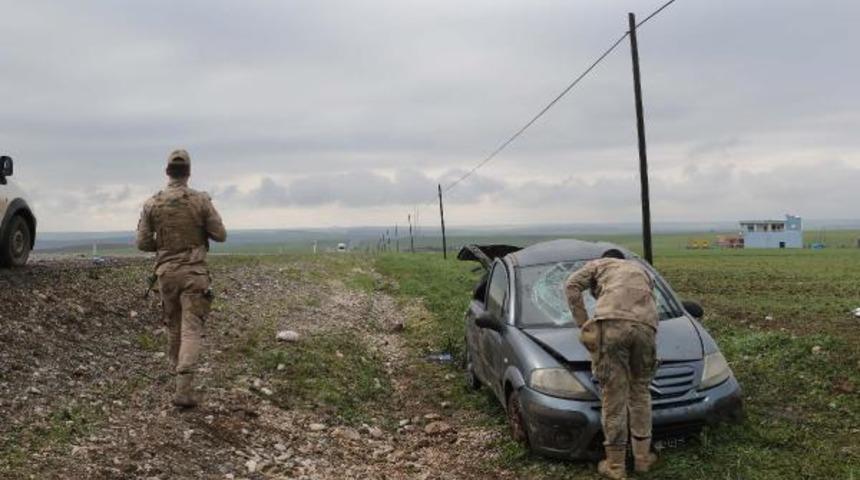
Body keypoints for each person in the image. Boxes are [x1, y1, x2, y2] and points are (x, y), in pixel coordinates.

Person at [136, 149, 227, 408]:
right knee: (191, 329)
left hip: (166, 274)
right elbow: (220, 235)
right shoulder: (200, 201)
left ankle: (175, 377)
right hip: (194, 274)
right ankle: (184, 389)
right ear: (188, 173)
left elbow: (142, 243)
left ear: (167, 172)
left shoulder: (152, 203)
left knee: (174, 326)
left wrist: (166, 248)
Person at [564, 249, 659, 479]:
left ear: (607, 257)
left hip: (613, 325)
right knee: (640, 393)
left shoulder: (599, 264)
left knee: (614, 397)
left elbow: (571, 285)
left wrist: (584, 323)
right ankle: (642, 459)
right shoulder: (641, 269)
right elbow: (650, 299)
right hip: (647, 328)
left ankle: (615, 466)